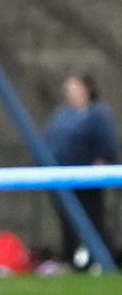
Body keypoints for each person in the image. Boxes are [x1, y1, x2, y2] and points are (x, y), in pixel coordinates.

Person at [41, 73, 117, 268]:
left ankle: (102, 259)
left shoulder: (97, 115)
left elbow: (107, 144)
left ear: (86, 89)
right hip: (62, 179)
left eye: (74, 87)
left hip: (87, 179)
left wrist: (100, 166)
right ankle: (70, 260)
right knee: (67, 222)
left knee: (92, 220)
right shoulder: (62, 115)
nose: (70, 92)